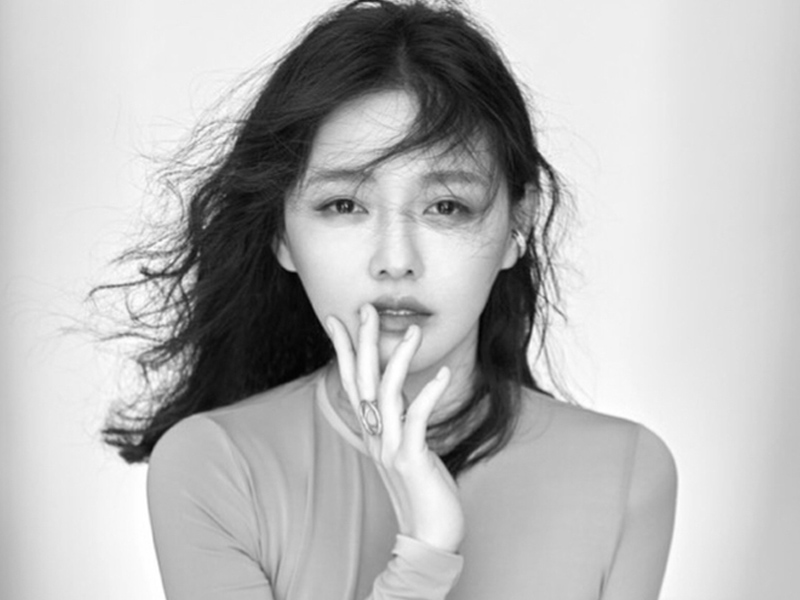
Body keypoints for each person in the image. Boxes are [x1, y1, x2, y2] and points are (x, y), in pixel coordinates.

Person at [100, 1, 677, 598]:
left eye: (446, 206)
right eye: (344, 205)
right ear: (281, 234)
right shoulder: (214, 465)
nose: (396, 259)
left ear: (517, 226)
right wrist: (425, 552)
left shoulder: (626, 473)